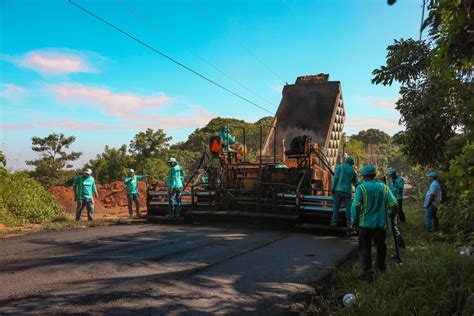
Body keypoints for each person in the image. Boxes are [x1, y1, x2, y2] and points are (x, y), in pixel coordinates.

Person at [351, 165, 397, 281]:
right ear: (375, 175)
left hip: (365, 225)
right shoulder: (384, 187)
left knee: (365, 248)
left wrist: (354, 222)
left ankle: (368, 273)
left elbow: (355, 206)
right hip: (380, 225)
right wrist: (392, 214)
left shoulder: (361, 188)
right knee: (381, 247)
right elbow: (394, 204)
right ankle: (381, 267)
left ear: (364, 176)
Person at [330, 156, 358, 227]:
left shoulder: (340, 167)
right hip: (347, 192)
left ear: (346, 161)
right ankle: (349, 224)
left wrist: (332, 189)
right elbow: (355, 183)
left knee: (336, 207)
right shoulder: (353, 171)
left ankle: (334, 222)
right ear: (352, 163)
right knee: (348, 208)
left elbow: (335, 178)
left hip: (338, 190)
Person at [387, 169, 406, 248]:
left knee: (399, 210)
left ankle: (403, 220)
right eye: (390, 175)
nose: (391, 176)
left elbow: (401, 188)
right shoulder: (389, 180)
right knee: (394, 212)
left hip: (398, 197)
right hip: (392, 198)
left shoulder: (400, 179)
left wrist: (395, 183)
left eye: (392, 175)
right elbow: (388, 187)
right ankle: (395, 223)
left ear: (395, 174)